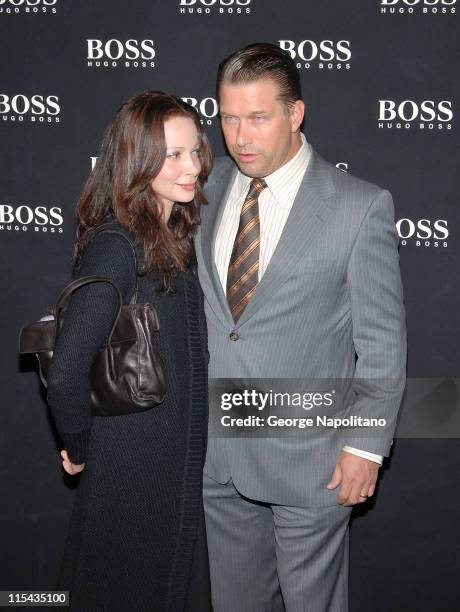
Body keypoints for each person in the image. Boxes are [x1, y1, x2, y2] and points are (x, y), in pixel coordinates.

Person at [194, 43, 407, 611]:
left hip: (312, 455)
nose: (240, 136)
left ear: (295, 114)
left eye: (258, 117)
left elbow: (381, 343)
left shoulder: (358, 208)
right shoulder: (203, 190)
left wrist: (365, 445)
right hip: (217, 455)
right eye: (229, 117)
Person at [46, 91, 212, 611]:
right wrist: (80, 445)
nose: (192, 168)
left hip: (165, 464)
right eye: (172, 155)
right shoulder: (119, 244)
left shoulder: (171, 234)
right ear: (137, 162)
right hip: (132, 465)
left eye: (195, 152)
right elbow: (69, 367)